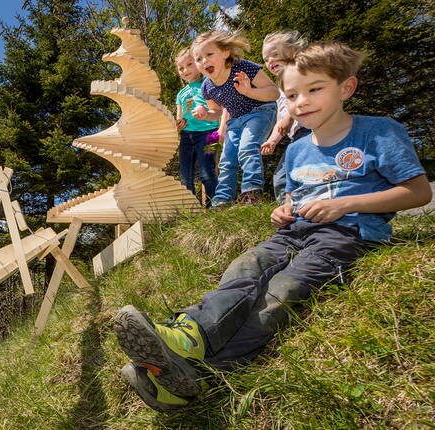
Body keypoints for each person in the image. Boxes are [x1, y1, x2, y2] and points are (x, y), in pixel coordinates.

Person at [115, 41, 432, 412]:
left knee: (282, 291)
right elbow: (293, 196)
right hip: (292, 231)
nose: (301, 102)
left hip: (348, 233)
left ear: (346, 87)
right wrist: (282, 212)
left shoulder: (378, 132)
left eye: (314, 89)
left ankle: (198, 377)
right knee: (246, 268)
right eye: (292, 94)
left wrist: (345, 204)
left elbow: (417, 192)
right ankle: (190, 334)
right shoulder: (297, 149)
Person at [191, 30, 280, 206]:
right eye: (199, 58)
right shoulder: (207, 87)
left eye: (209, 54)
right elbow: (216, 112)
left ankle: (251, 192)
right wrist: (205, 114)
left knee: (247, 148)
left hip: (260, 110)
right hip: (235, 120)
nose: (204, 61)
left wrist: (249, 91)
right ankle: (222, 199)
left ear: (225, 53)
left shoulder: (242, 67)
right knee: (227, 159)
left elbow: (274, 93)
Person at [260, 30, 311, 202]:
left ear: (293, 51)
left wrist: (290, 117)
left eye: (274, 55)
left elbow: (302, 98)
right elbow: (280, 122)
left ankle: (297, 208)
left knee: (292, 175)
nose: (270, 61)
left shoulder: (302, 73)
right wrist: (273, 140)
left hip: (312, 133)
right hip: (297, 137)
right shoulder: (280, 88)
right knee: (282, 177)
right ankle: (289, 209)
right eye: (266, 59)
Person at [174, 47, 219, 206]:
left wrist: (205, 112)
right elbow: (179, 119)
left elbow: (216, 110)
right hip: (187, 136)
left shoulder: (208, 84)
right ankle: (191, 209)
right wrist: (179, 124)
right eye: (181, 68)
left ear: (197, 63)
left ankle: (216, 206)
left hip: (209, 134)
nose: (185, 70)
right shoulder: (180, 94)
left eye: (189, 64)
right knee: (185, 175)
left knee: (207, 171)